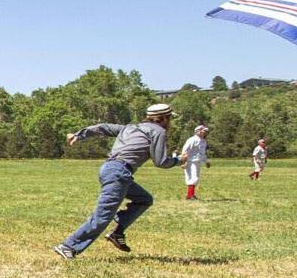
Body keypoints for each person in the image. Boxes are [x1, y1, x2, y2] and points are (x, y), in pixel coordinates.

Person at [52, 103, 186, 260]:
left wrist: (80, 134)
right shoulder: (159, 131)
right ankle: (68, 246)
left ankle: (117, 232)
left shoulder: (130, 127)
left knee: (144, 199)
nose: (170, 123)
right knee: (103, 216)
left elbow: (103, 127)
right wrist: (178, 160)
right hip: (119, 173)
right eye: (170, 119)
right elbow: (161, 161)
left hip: (110, 169)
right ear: (164, 118)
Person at [180, 125, 210, 200]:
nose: (205, 132)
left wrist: (206, 161)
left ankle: (190, 195)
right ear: (198, 131)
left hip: (197, 162)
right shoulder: (192, 140)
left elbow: (202, 153)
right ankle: (190, 195)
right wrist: (184, 162)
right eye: (204, 131)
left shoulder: (204, 141)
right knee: (193, 178)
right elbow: (185, 151)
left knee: (195, 178)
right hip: (190, 161)